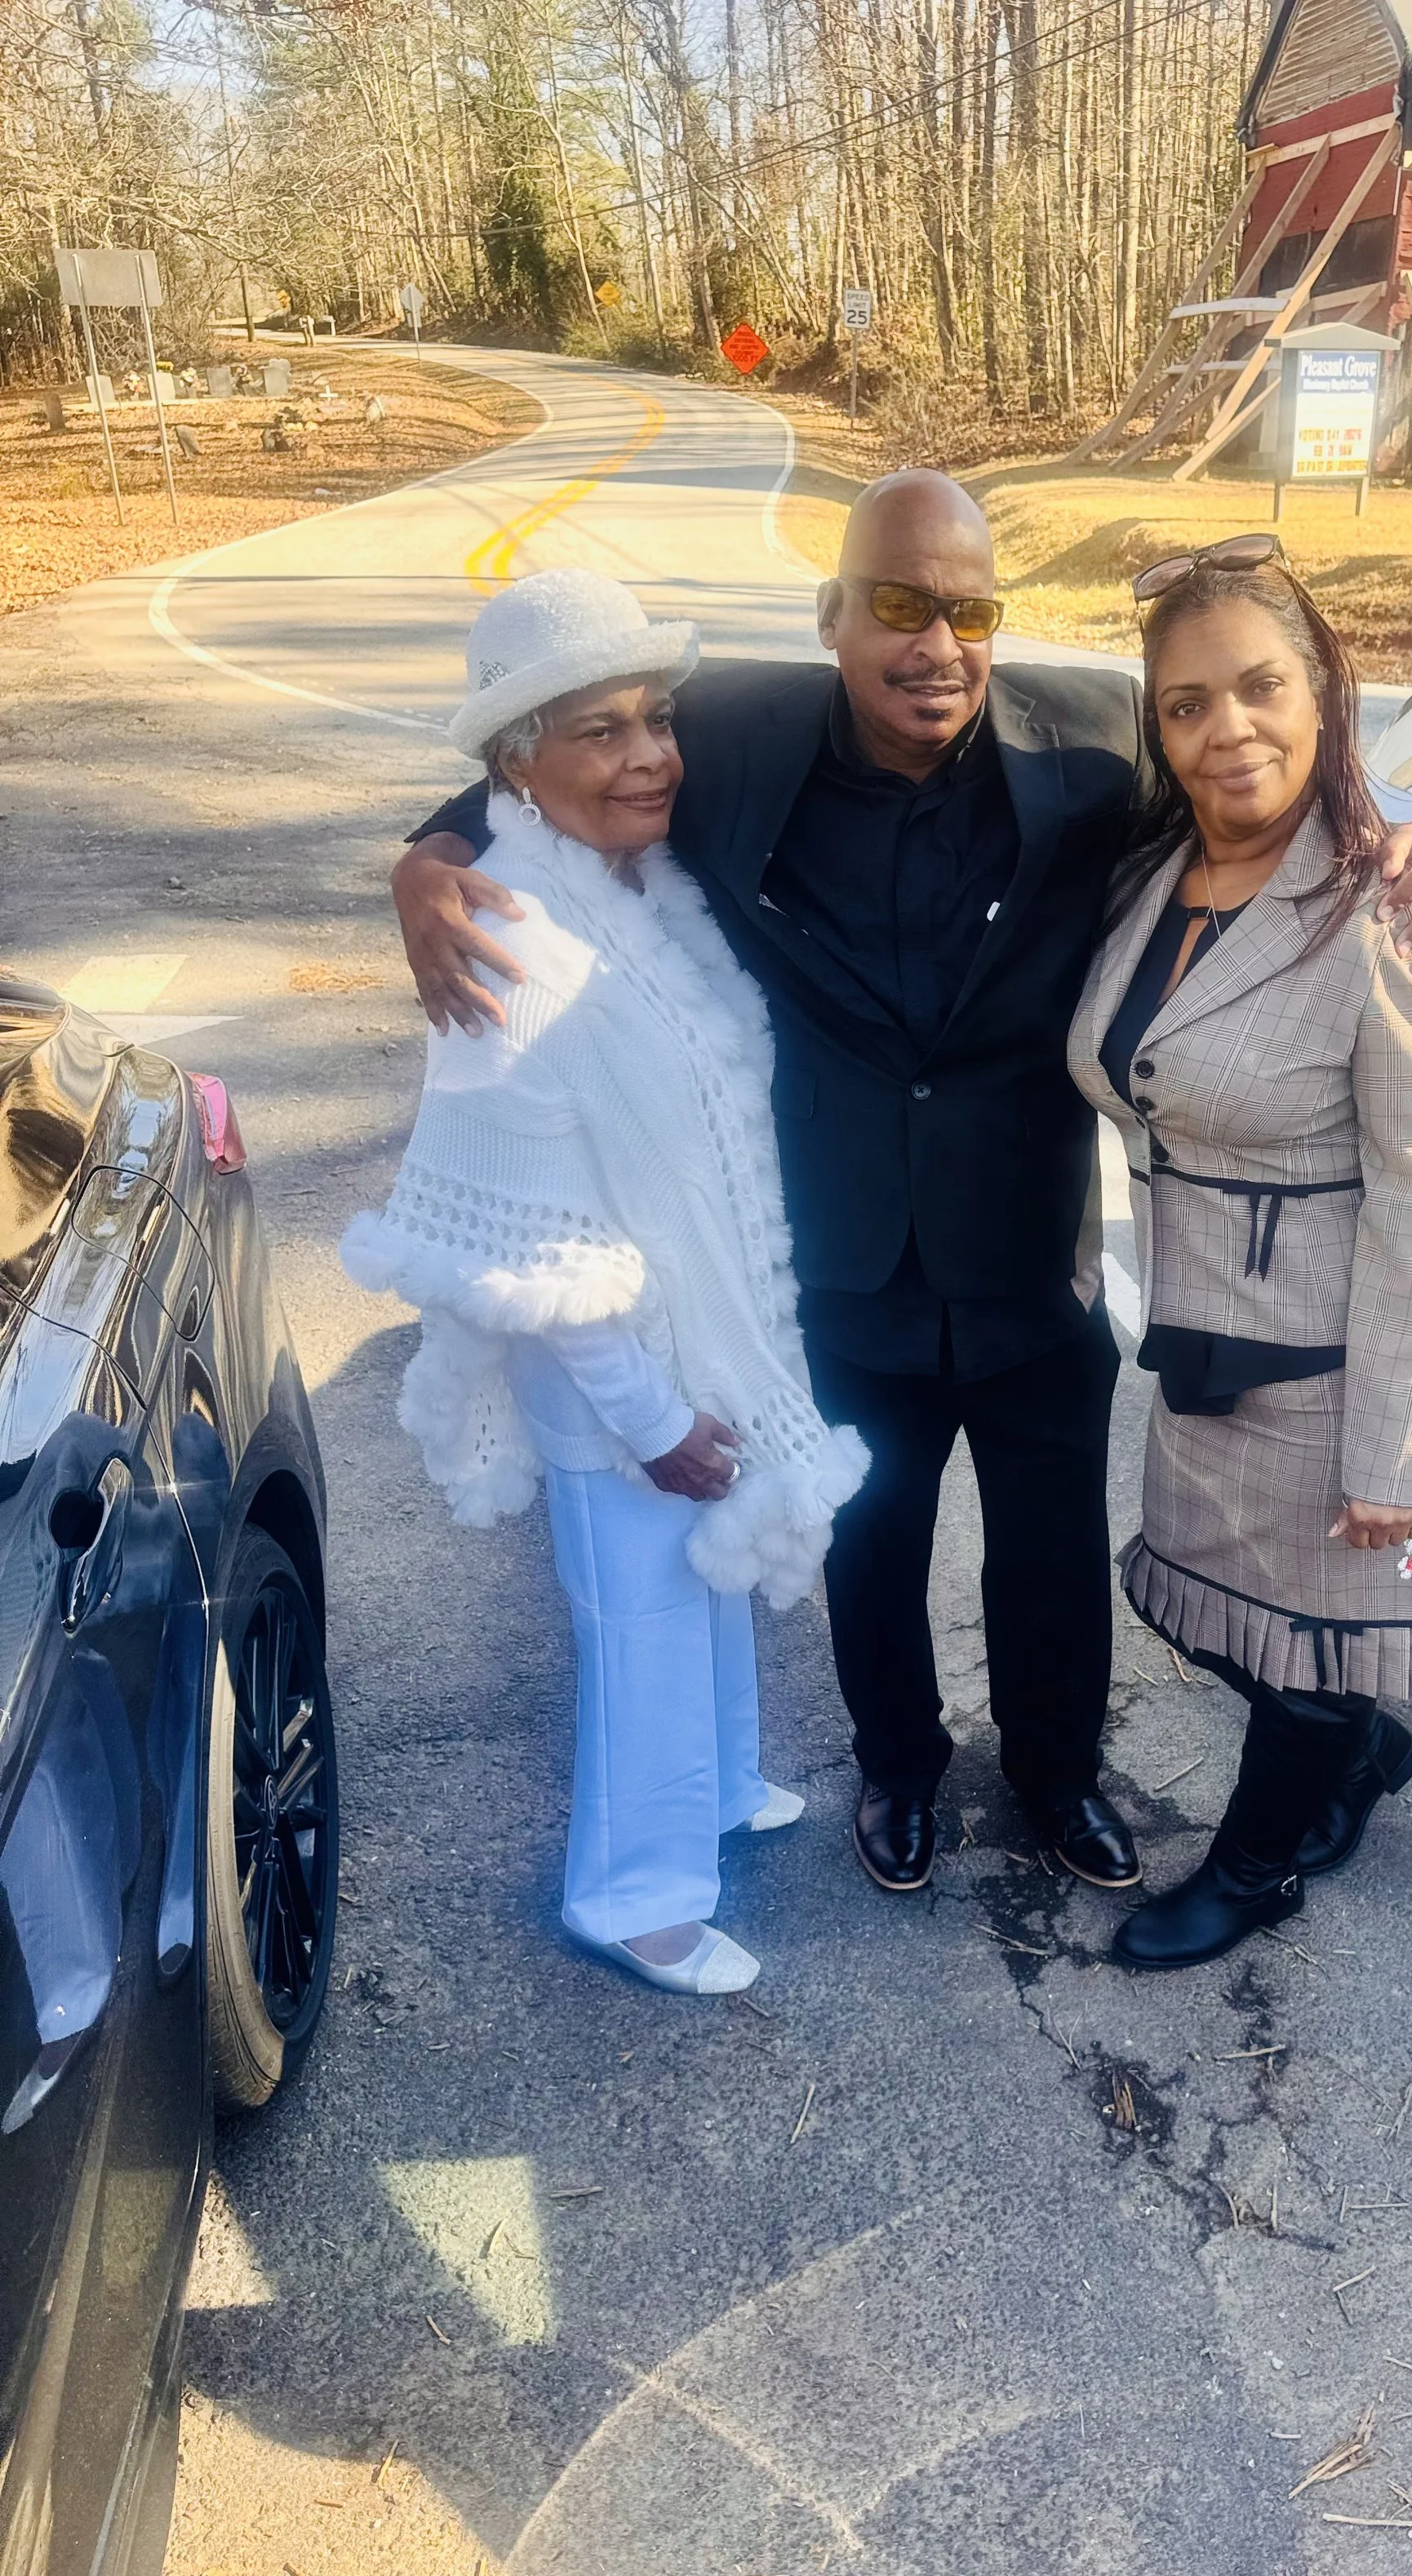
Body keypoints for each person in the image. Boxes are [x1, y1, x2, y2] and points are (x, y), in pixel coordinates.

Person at [389, 477, 1412, 1902]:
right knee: (874, 1547)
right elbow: (548, 746)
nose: (937, 644)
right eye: (900, 606)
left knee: (1049, 1555)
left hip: (1033, 1257)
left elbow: (1261, 768)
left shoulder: (1088, 747)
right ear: (836, 615)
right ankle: (898, 1768)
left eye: (969, 611)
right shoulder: (735, 731)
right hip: (843, 1263)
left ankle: (1055, 1774)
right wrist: (427, 858)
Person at [344, 569, 868, 1996]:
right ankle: (632, 1895)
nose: (648, 757)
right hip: (611, 1370)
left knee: (700, 1590)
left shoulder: (637, 888)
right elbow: (534, 1228)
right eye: (599, 732)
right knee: (638, 1617)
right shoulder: (504, 932)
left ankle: (718, 1789)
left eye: (655, 721)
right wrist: (642, 1415)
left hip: (693, 1324)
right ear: (518, 761)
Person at [1068, 538, 1412, 1971]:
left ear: (1324, 696)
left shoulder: (1395, 909)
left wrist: (1397, 1449)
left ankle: (1255, 1874)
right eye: (1187, 704)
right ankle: (1361, 1754)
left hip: (1337, 1360)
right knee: (1218, 1621)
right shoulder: (1149, 873)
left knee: (1308, 1653)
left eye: (1258, 689)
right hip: (1202, 1344)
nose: (1226, 728)